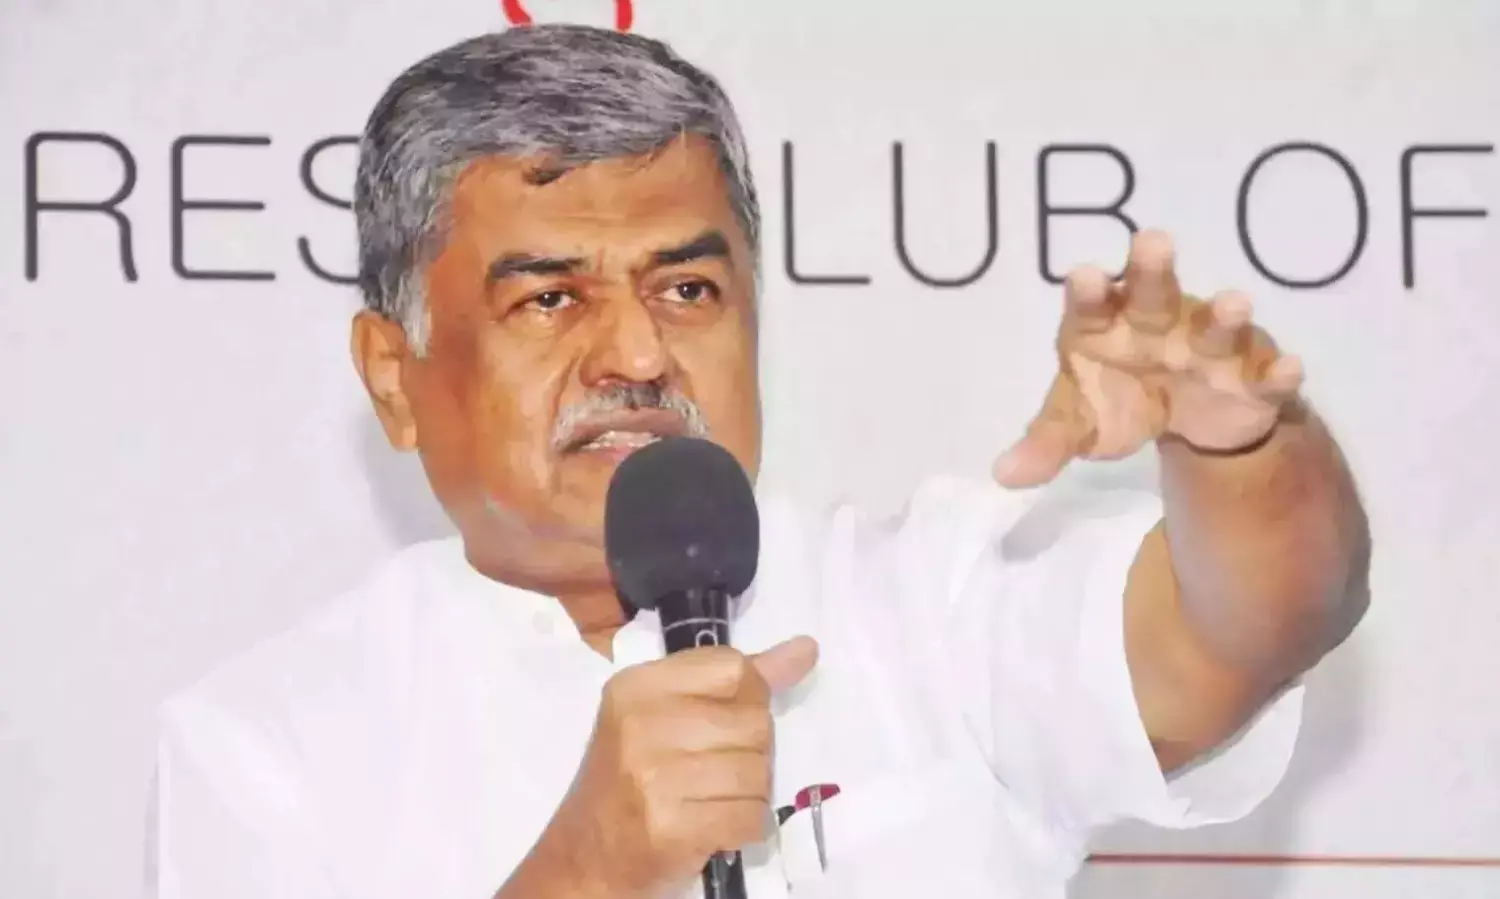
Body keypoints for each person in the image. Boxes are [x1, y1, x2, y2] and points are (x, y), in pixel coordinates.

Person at [150, 23, 1371, 899]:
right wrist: (592, 868)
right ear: (393, 376)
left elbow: (1256, 624)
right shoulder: (268, 743)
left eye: (686, 288)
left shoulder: (925, 600)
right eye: (550, 299)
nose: (638, 352)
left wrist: (1242, 444)